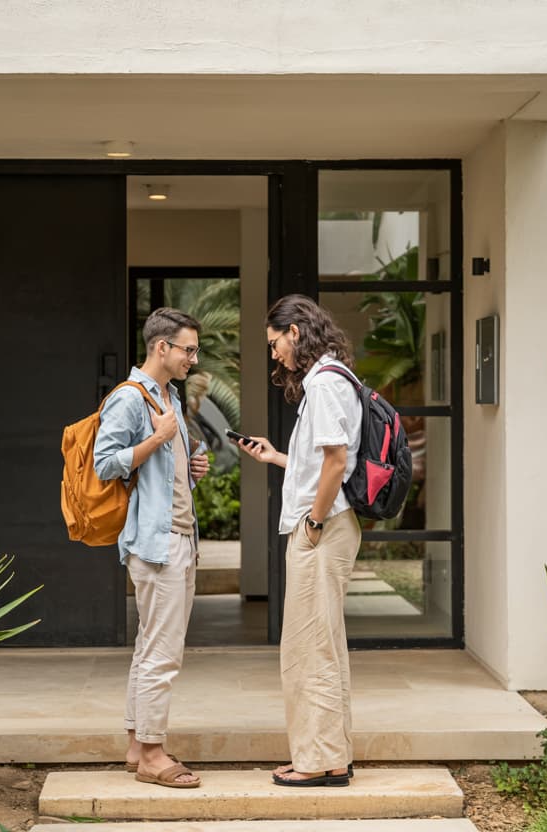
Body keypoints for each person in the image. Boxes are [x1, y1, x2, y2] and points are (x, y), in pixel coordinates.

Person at [236, 294, 362, 788]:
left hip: (323, 530)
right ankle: (331, 756)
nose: (274, 355)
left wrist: (311, 522)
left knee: (309, 648)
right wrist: (276, 458)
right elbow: (321, 465)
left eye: (274, 344)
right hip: (329, 524)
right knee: (321, 644)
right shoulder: (331, 380)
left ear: (295, 332)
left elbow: (335, 462)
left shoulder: (326, 383)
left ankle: (316, 762)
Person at [93, 307, 210, 789]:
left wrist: (190, 470)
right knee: (163, 653)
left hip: (179, 536)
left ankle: (136, 746)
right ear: (161, 347)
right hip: (157, 546)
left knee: (150, 648)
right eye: (188, 349)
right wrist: (156, 439)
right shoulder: (129, 399)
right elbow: (105, 464)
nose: (193, 358)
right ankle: (154, 754)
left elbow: (164, 474)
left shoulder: (170, 397)